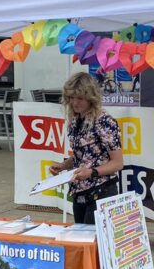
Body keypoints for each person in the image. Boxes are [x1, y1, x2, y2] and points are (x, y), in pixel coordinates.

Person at [48, 71, 124, 224]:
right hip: (79, 192)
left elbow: (118, 163)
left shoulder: (104, 121)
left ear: (91, 98)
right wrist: (63, 165)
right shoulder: (75, 120)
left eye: (80, 98)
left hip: (101, 191)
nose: (75, 102)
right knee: (81, 241)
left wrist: (91, 172)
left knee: (92, 243)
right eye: (72, 97)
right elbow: (82, 155)